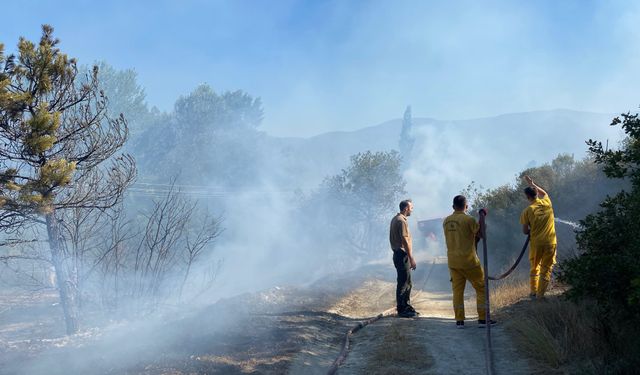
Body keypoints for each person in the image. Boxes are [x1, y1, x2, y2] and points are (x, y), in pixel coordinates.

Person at [443, 195, 495, 328]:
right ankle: (483, 319)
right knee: (481, 287)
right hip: (469, 261)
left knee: (457, 291)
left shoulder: (446, 221)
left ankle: (459, 320)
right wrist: (482, 219)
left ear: (453, 206)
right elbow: (482, 235)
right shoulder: (469, 219)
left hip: (453, 262)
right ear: (466, 206)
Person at [520, 175, 557, 299]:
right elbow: (544, 193)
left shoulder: (527, 211)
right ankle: (540, 296)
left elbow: (525, 231)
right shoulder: (547, 202)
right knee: (546, 269)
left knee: (535, 268)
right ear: (536, 193)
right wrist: (533, 184)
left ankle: (533, 292)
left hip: (536, 244)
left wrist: (532, 227)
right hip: (551, 242)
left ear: (528, 197)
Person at [389, 199, 418, 318]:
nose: (412, 209)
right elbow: (405, 240)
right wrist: (411, 258)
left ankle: (406, 306)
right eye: (411, 207)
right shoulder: (401, 221)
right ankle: (402, 309)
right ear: (406, 208)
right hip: (402, 255)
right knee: (404, 283)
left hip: (398, 254)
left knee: (407, 282)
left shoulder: (396, 219)